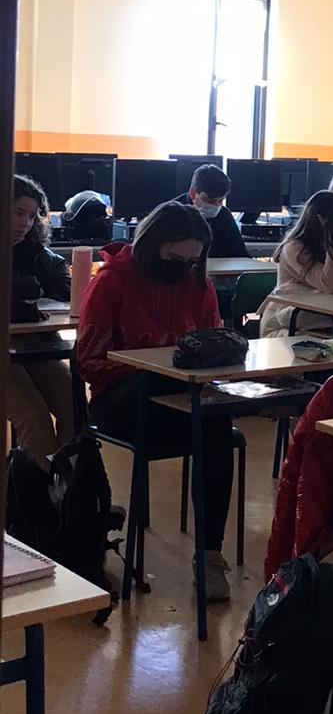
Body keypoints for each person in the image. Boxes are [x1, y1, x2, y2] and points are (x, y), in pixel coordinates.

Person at [75, 202, 237, 601]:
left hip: (179, 400)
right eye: (176, 258)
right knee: (158, 382)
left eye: (192, 261)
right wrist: (150, 365)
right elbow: (88, 362)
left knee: (216, 423)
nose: (184, 268)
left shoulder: (197, 283)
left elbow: (211, 337)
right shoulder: (112, 281)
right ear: (153, 245)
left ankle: (209, 554)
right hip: (120, 401)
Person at [9, 173, 75, 465]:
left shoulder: (40, 255)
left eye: (32, 215)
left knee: (76, 408)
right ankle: (39, 491)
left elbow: (66, 293)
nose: (25, 222)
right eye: (18, 212)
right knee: (35, 419)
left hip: (37, 346)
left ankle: (71, 486)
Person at [261, 190, 333, 338]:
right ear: (321, 221)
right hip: (286, 321)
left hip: (325, 318)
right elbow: (332, 287)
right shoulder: (294, 248)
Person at [172, 164, 248, 259]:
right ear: (193, 193)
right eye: (210, 201)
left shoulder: (224, 215)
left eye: (220, 201)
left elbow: (241, 255)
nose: (216, 206)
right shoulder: (171, 215)